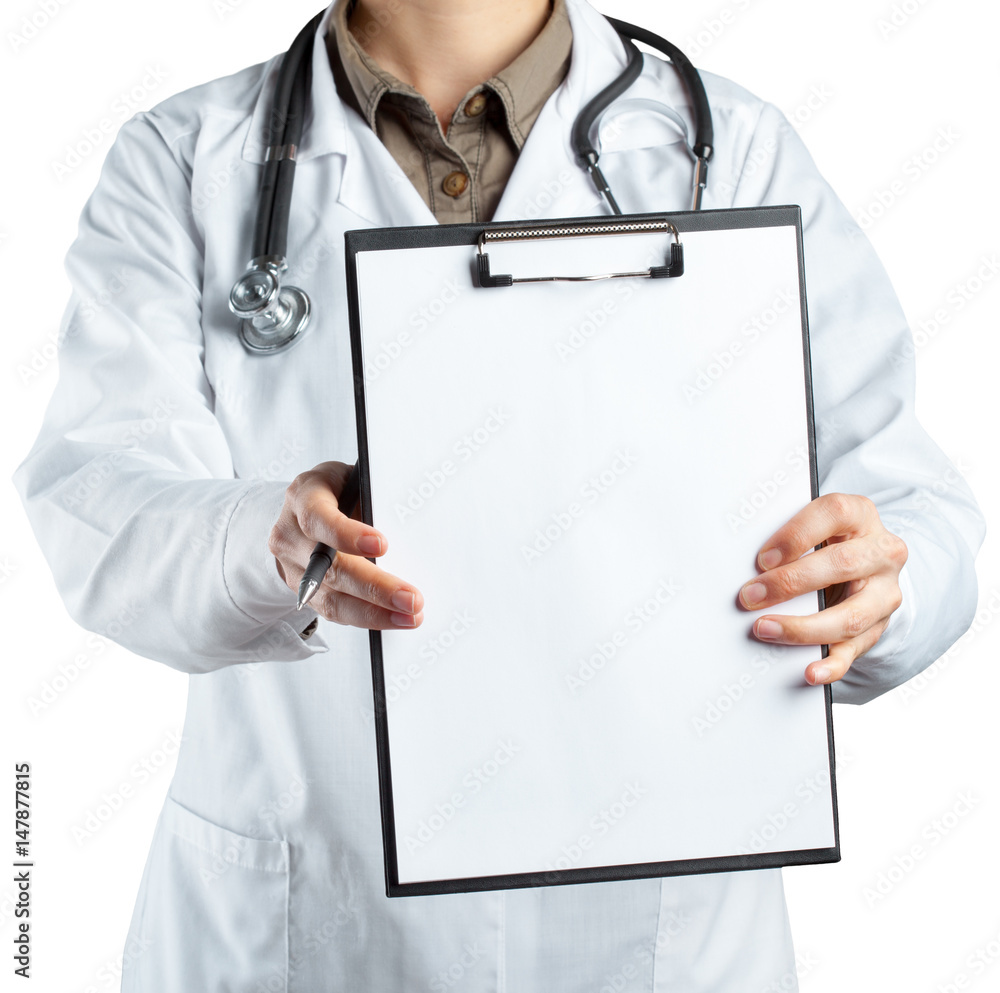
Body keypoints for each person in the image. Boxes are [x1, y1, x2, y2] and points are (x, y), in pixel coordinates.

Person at [13, 0, 984, 990]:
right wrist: (263, 539)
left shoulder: (730, 149)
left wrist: (873, 581)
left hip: (657, 943)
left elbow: (914, 512)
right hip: (310, 929)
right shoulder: (186, 160)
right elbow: (99, 514)